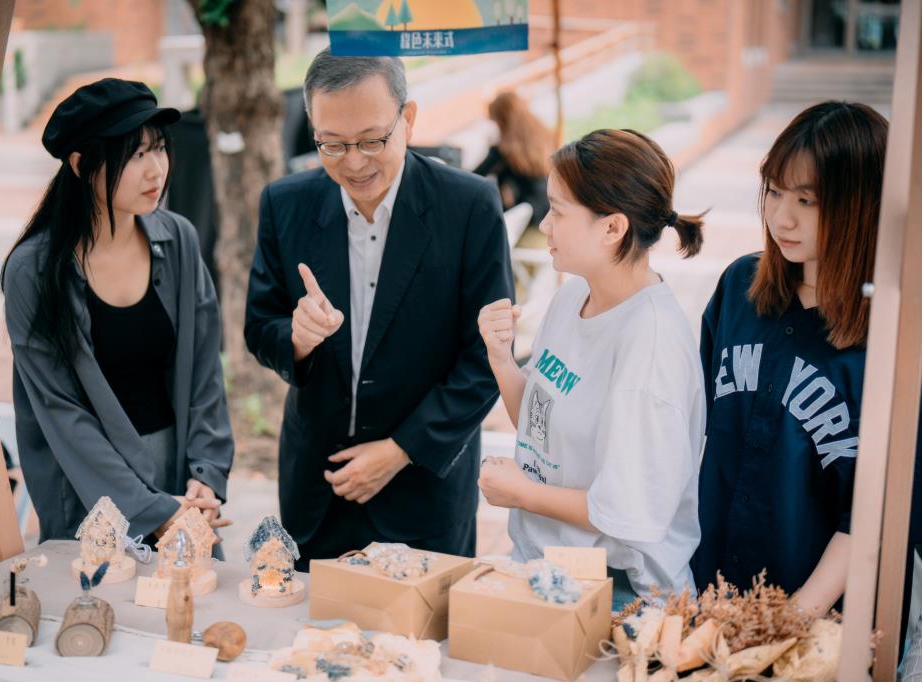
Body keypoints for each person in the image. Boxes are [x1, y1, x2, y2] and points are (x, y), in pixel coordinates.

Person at [245, 48, 513, 570]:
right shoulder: (285, 203)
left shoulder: (469, 205)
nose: (354, 161)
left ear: (407, 119)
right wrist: (297, 339)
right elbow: (260, 325)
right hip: (316, 488)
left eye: (372, 140)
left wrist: (399, 450)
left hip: (422, 486)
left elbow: (487, 358)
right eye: (333, 144)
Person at [477, 129, 707, 607]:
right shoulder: (572, 297)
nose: (545, 224)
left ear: (612, 228)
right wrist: (501, 358)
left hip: (620, 595)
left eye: (558, 211)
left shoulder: (651, 345)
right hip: (547, 572)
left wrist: (523, 494)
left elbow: (626, 513)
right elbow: (540, 429)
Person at [2, 79, 233, 545]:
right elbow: (62, 412)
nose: (156, 170)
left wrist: (205, 476)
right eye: (135, 154)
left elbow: (205, 372)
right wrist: (153, 510)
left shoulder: (179, 238)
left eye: (160, 149)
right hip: (89, 489)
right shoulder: (32, 271)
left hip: (177, 473)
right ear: (82, 164)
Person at [692, 101, 889, 617]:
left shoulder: (890, 339)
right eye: (775, 192)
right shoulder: (739, 287)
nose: (783, 217)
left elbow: (872, 512)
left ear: (862, 205)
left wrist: (792, 620)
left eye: (808, 200)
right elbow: (699, 430)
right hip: (709, 595)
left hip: (820, 624)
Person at [473, 91, 554, 226]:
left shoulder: (504, 150)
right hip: (548, 206)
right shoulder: (543, 135)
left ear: (501, 120)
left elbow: (474, 177)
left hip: (525, 216)